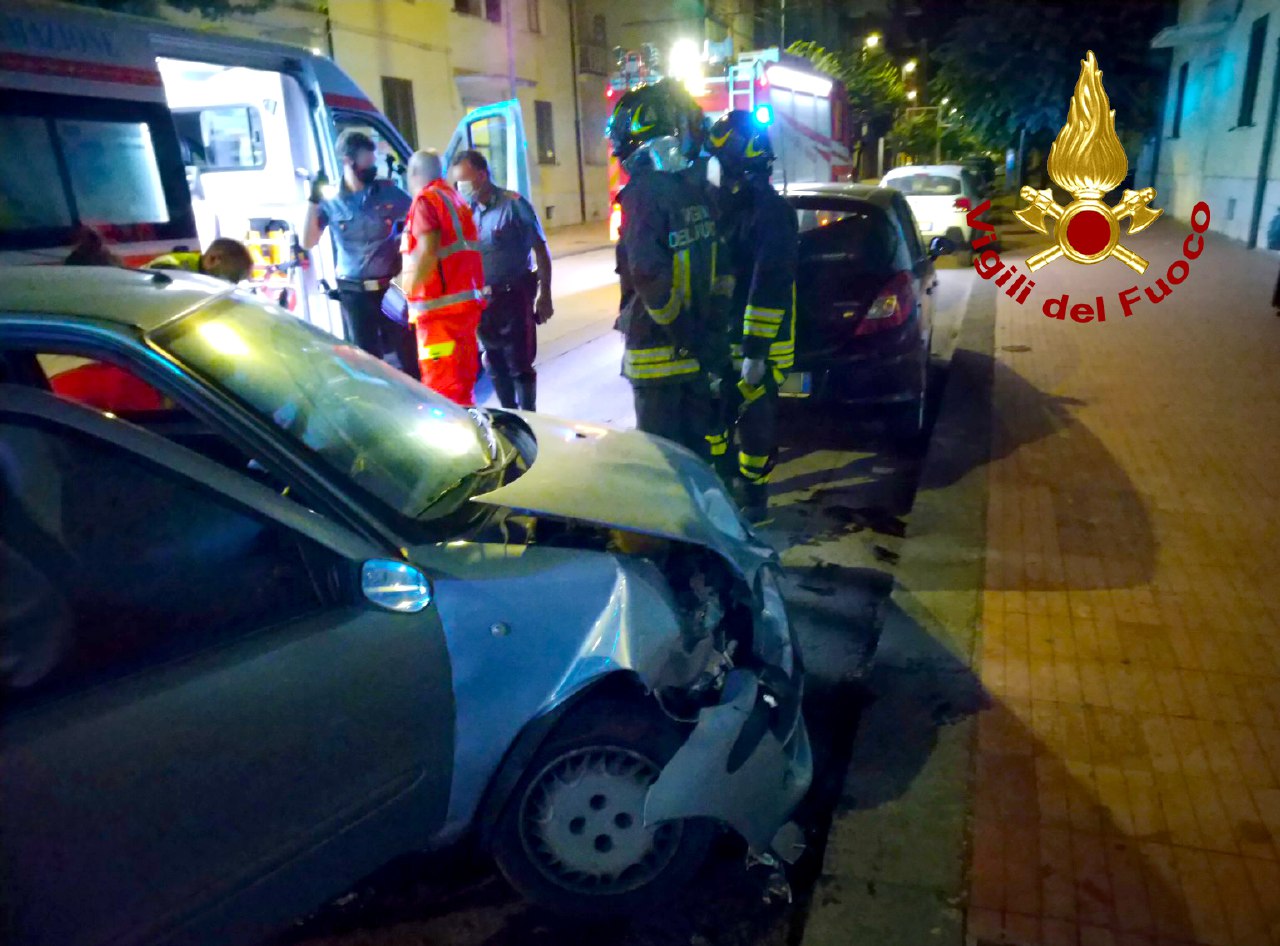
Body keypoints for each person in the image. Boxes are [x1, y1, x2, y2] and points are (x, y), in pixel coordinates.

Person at [607, 79, 719, 459]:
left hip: (658, 356)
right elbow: (716, 269)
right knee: (696, 460)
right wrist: (702, 335)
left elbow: (648, 274)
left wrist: (682, 331)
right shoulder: (693, 191)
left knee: (664, 466)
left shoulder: (641, 196)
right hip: (695, 357)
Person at [705, 109, 799, 523]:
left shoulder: (770, 212)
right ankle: (725, 488)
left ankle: (755, 499)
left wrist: (756, 353)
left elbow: (769, 282)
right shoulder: (729, 205)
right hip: (728, 336)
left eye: (719, 160)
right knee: (718, 414)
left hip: (761, 344)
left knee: (755, 418)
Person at [301, 129, 418, 379]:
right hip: (353, 292)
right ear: (347, 161)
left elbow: (420, 216)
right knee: (366, 361)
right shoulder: (331, 200)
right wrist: (312, 202)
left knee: (408, 355)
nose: (372, 167)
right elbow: (308, 241)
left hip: (390, 288)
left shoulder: (388, 193)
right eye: (367, 162)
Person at [450, 149, 553, 411]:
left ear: (482, 175)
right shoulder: (465, 211)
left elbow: (541, 250)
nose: (459, 186)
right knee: (493, 363)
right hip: (482, 302)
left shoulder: (513, 204)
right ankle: (508, 416)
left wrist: (545, 294)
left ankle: (530, 420)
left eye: (464, 179)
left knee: (519, 366)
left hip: (514, 297)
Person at [399, 149, 485, 406]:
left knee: (443, 394)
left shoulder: (425, 201)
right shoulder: (454, 199)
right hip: (462, 313)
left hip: (438, 320)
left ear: (413, 173)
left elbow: (426, 251)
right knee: (462, 387)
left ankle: (454, 444)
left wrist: (402, 290)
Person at [145, 237, 254, 283]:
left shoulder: (200, 276)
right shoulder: (168, 268)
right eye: (231, 277)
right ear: (213, 259)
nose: (230, 284)